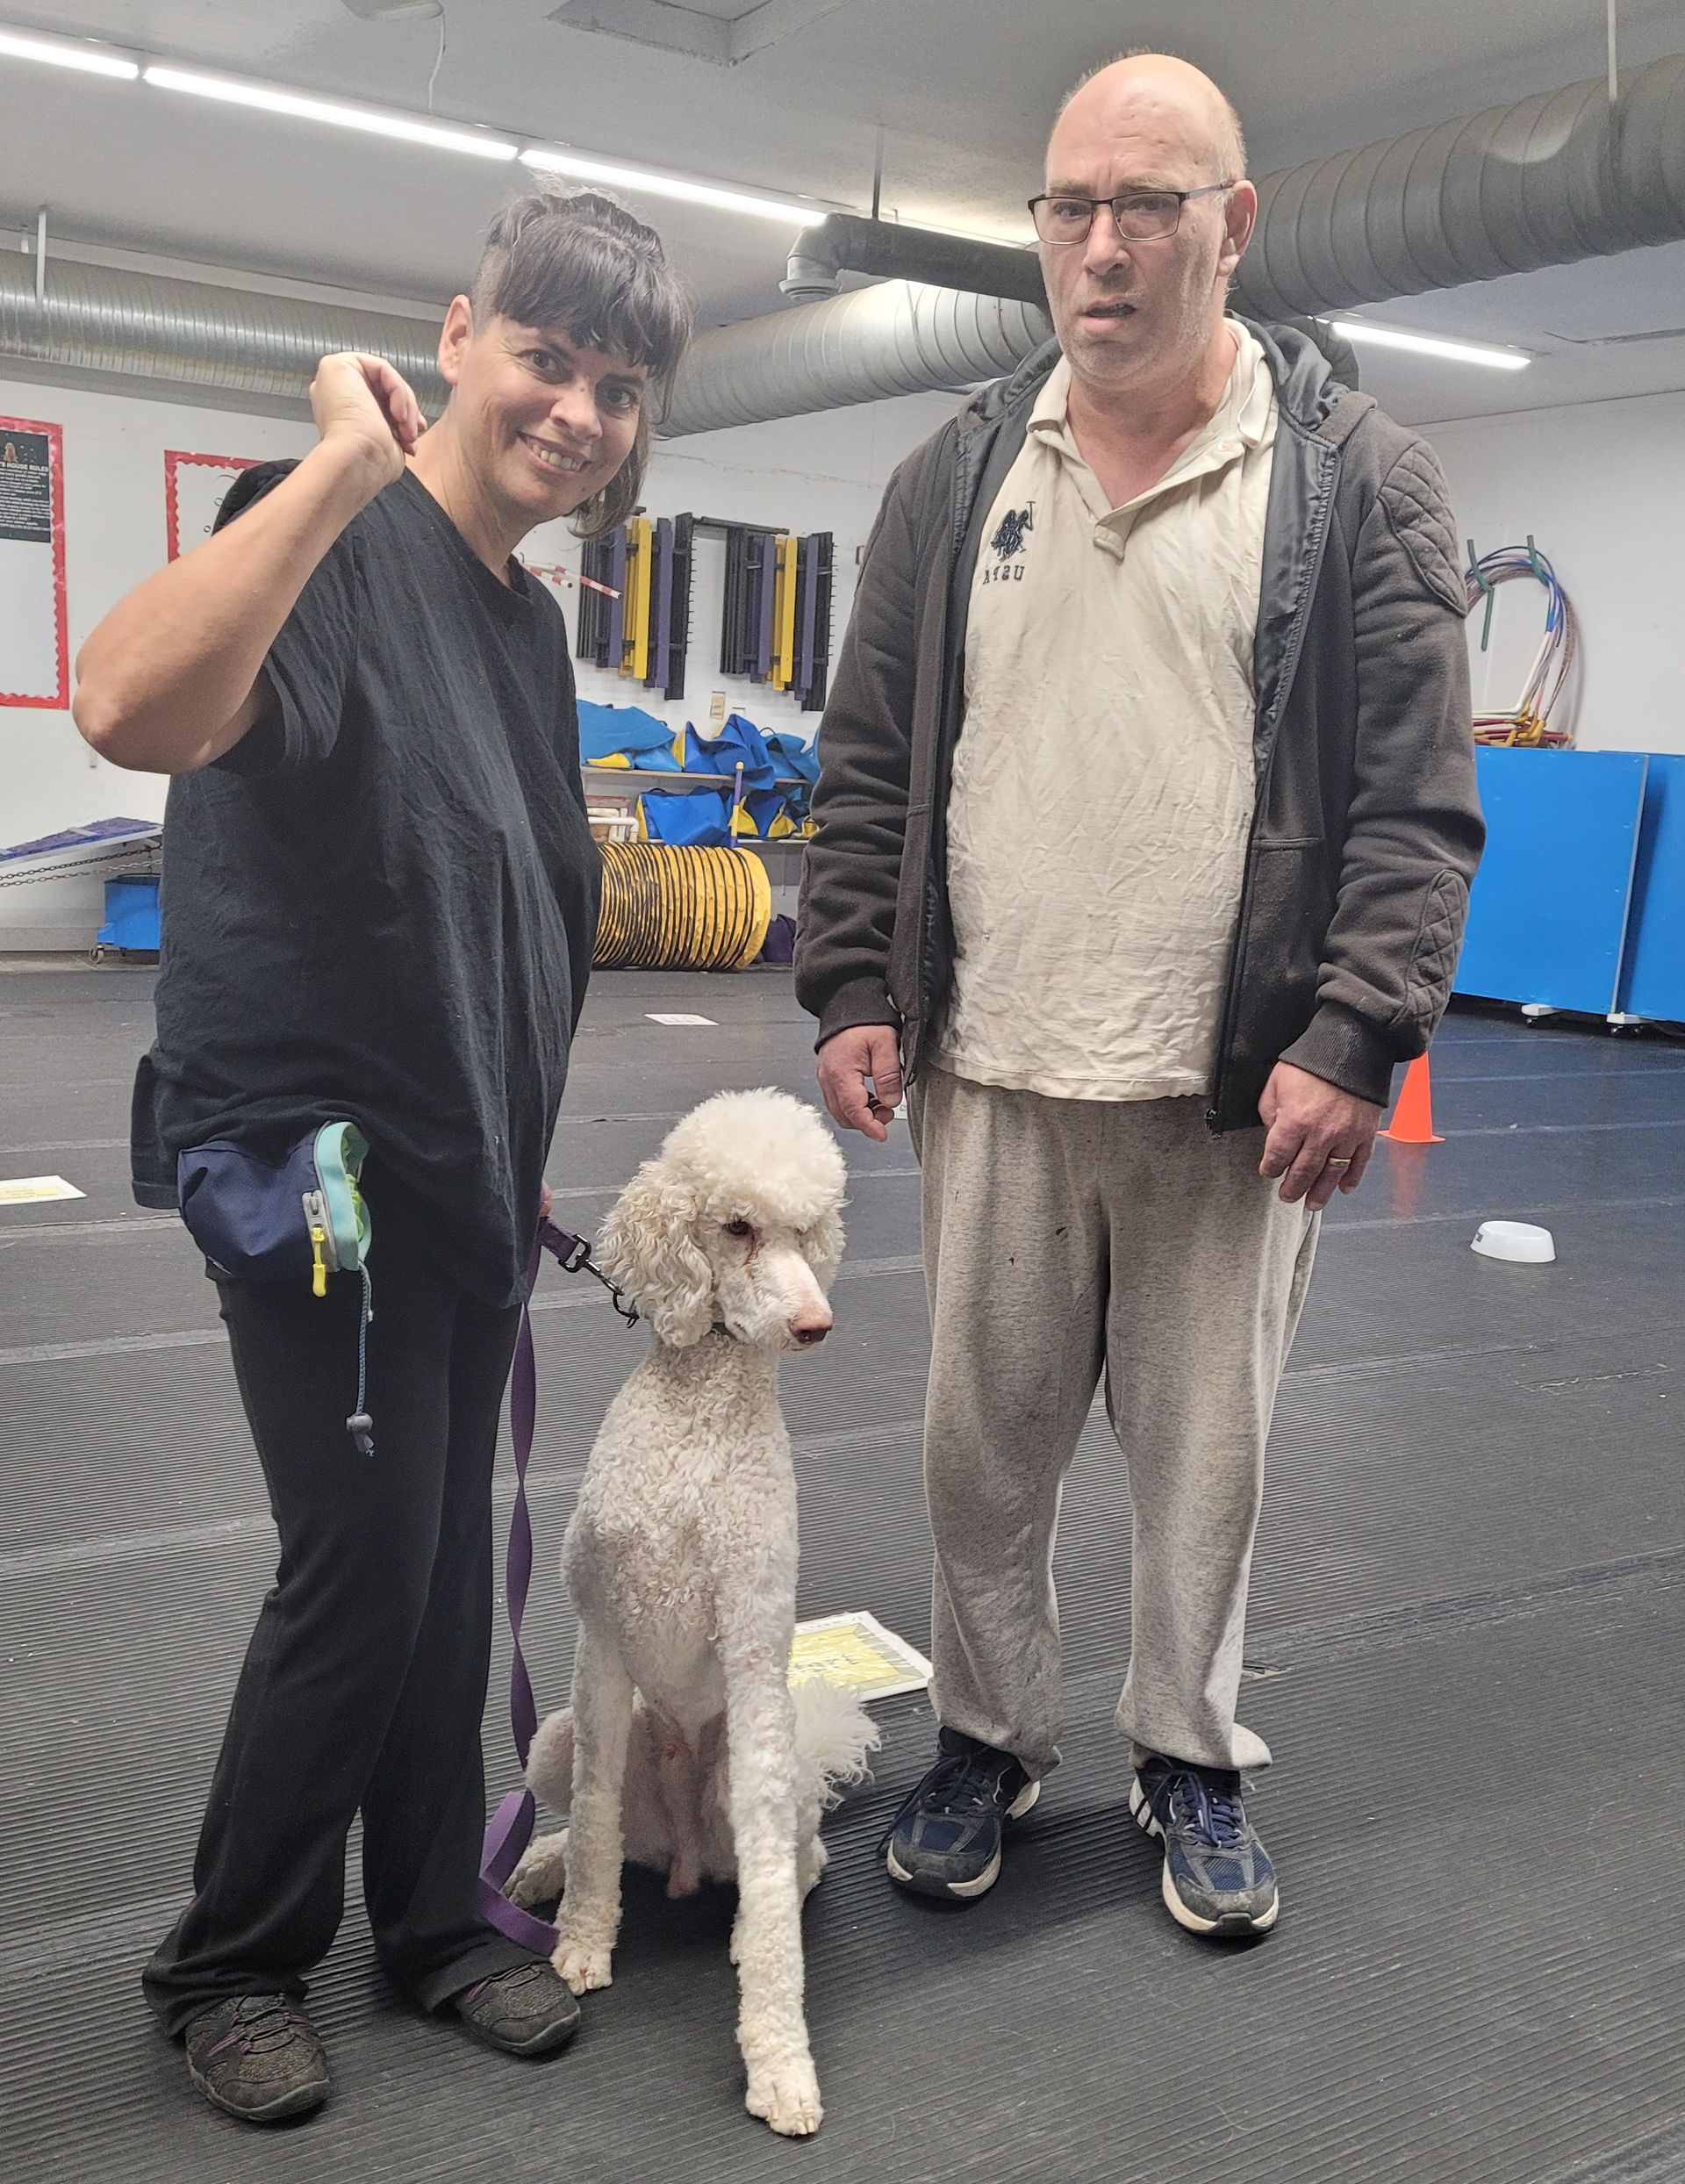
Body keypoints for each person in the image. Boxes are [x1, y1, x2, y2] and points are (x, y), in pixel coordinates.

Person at [795, 53, 1483, 1936]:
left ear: (1231, 228)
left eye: (1146, 207)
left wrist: (1355, 1037)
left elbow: (1418, 800)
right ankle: (989, 1735)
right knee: (975, 1455)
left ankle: (1188, 1750)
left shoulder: (1355, 483)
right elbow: (871, 759)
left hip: (1228, 1092)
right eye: (1069, 208)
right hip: (993, 1071)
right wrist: (855, 973)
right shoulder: (953, 474)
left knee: (1207, 1469)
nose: (1100, 248)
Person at [73, 190, 692, 2123]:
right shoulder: (331, 523)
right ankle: (229, 1963)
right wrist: (336, 464)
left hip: (453, 1181)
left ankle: (427, 1919)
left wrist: (510, 1156)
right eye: (547, 355)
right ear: (455, 334)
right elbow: (124, 704)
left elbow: (491, 903)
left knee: (440, 1581)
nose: (578, 408)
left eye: (618, 382)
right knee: (357, 1569)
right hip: (316, 1186)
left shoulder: (518, 621)